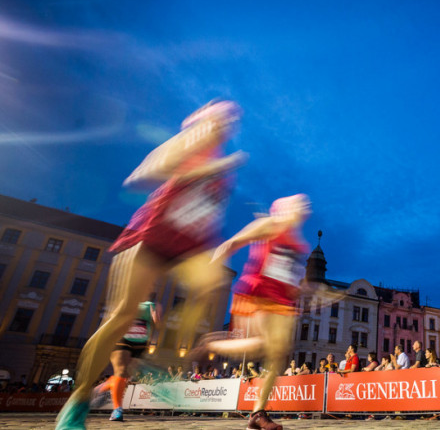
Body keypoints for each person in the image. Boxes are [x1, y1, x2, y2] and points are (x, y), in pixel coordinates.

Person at [56, 101, 244, 430]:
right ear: (206, 120)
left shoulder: (220, 168)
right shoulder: (190, 140)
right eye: (222, 119)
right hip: (150, 235)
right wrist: (203, 166)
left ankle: (157, 359)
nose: (227, 125)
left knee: (213, 285)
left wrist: (207, 253)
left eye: (231, 121)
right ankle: (78, 400)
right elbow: (143, 175)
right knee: (123, 314)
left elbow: (205, 213)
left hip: (185, 245)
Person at [204, 193, 312, 430]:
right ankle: (212, 345)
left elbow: (292, 276)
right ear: (286, 207)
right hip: (259, 291)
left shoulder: (298, 243)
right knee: (265, 345)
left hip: (282, 300)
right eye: (300, 203)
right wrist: (212, 268)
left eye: (306, 205)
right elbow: (232, 242)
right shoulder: (269, 224)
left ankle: (257, 413)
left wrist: (301, 289)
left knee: (279, 354)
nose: (306, 207)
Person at [92, 300, 160, 421]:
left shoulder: (151, 304)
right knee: (121, 371)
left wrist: (156, 318)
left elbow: (157, 324)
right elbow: (113, 317)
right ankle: (117, 409)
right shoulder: (125, 300)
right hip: (122, 337)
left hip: (141, 341)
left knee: (127, 376)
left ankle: (106, 385)